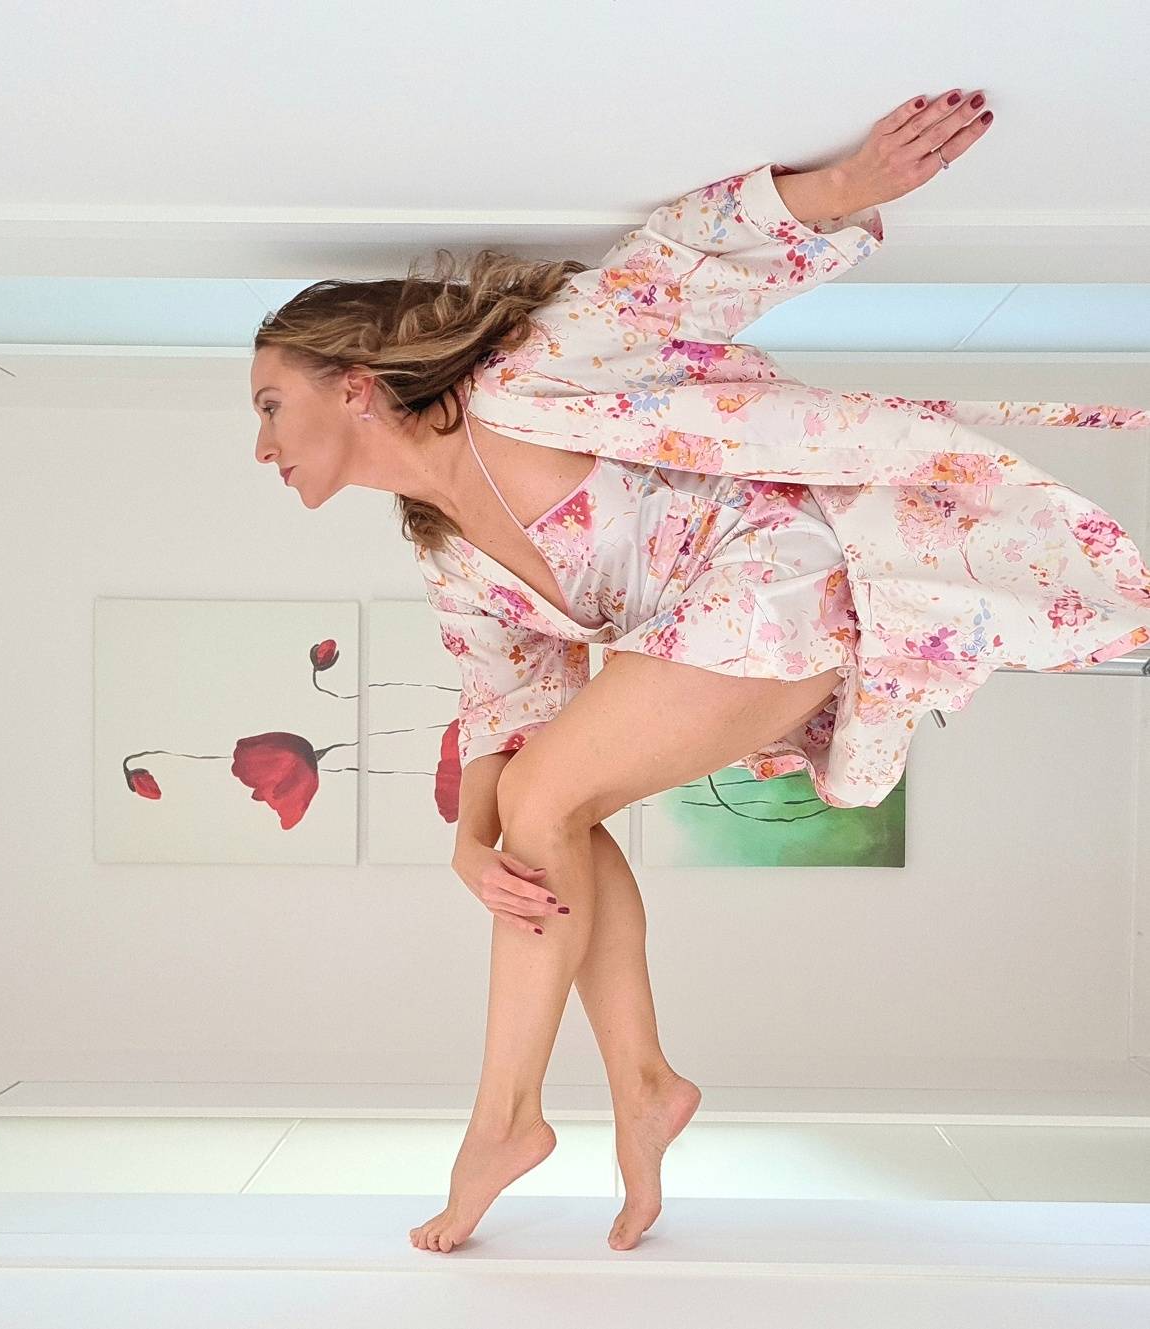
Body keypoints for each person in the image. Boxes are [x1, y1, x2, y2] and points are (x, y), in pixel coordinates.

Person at [248, 90, 1150, 1254]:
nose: (261, 446)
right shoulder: (450, 552)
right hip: (723, 630)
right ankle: (642, 1085)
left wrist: (847, 184)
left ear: (355, 383)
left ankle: (503, 1125)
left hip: (781, 572)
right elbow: (506, 712)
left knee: (551, 796)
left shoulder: (528, 382)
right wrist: (468, 844)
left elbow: (673, 272)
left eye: (270, 405)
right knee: (550, 806)